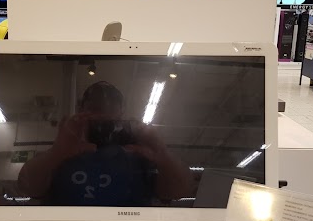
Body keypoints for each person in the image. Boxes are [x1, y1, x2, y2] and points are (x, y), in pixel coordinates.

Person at [17, 81, 193, 206]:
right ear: (81, 111)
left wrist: (163, 156)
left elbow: (180, 192)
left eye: (112, 111)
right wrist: (57, 152)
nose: (103, 118)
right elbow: (28, 188)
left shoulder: (138, 154)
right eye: (95, 110)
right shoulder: (64, 151)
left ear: (122, 115)